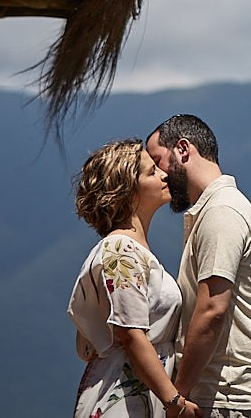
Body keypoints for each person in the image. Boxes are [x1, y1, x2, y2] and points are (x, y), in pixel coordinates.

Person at [146, 114, 251, 418]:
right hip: (224, 395)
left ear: (183, 149)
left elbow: (212, 311)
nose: (159, 175)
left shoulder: (221, 211)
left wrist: (176, 398)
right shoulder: (217, 210)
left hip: (227, 396)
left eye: (158, 161)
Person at [69, 138, 200, 418]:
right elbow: (130, 334)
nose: (164, 174)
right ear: (128, 190)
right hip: (124, 397)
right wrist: (174, 402)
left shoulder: (133, 250)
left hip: (140, 392)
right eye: (152, 172)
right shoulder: (120, 250)